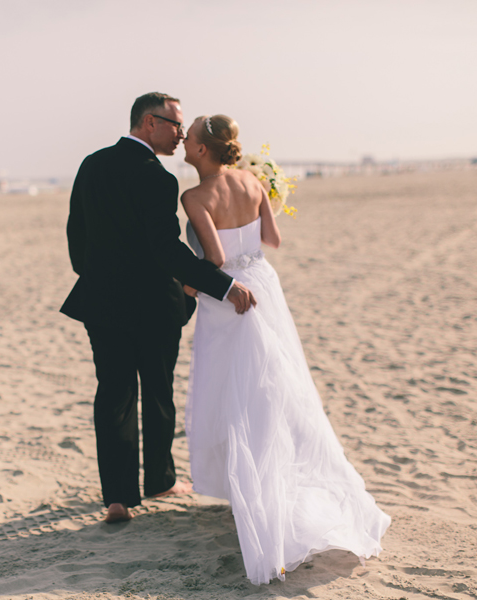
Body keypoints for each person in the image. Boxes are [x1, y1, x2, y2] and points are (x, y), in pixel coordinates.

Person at [181, 114, 390, 584]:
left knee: (237, 392)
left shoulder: (194, 197)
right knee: (276, 384)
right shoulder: (254, 181)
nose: (184, 140)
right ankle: (267, 484)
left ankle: (256, 491)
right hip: (265, 285)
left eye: (189, 136)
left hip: (230, 295)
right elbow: (272, 239)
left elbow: (214, 260)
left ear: (200, 150)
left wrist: (189, 281)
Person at [61, 93, 257, 524]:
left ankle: (117, 496)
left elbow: (77, 236)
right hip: (153, 304)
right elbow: (166, 250)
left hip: (101, 300)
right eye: (174, 125)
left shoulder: (91, 164)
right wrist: (221, 285)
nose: (181, 134)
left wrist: (94, 276)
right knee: (156, 390)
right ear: (149, 123)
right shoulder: (157, 178)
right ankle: (161, 481)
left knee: (113, 393)